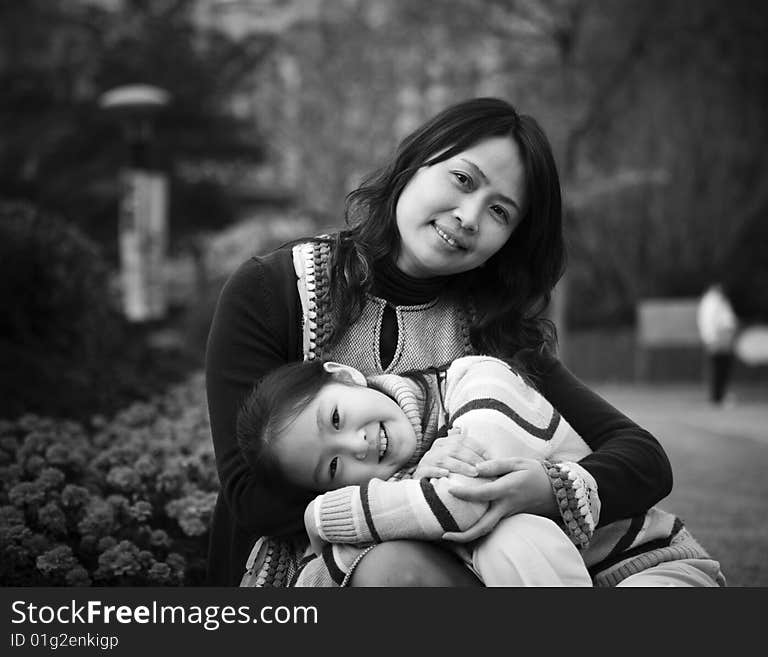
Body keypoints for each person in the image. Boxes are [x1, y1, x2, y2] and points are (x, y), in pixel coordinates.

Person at [205, 97, 674, 587]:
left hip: (468, 572)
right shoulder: (276, 289)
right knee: (393, 571)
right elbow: (251, 494)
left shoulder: (497, 333)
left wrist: (545, 489)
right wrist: (419, 491)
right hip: (305, 572)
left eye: (500, 211)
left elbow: (644, 460)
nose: (470, 216)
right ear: (415, 162)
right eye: (463, 180)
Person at [236, 356, 724, 587]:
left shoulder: (475, 380)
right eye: (334, 467)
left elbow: (469, 498)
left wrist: (323, 519)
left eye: (337, 419)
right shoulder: (397, 494)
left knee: (510, 533)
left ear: (344, 376)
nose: (356, 444)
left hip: (648, 566)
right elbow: (332, 574)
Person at [697, 283, 739, 405]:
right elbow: (709, 321)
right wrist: (712, 338)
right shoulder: (711, 301)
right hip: (719, 338)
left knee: (722, 367)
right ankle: (716, 397)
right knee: (719, 368)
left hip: (721, 337)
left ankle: (719, 395)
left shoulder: (718, 300)